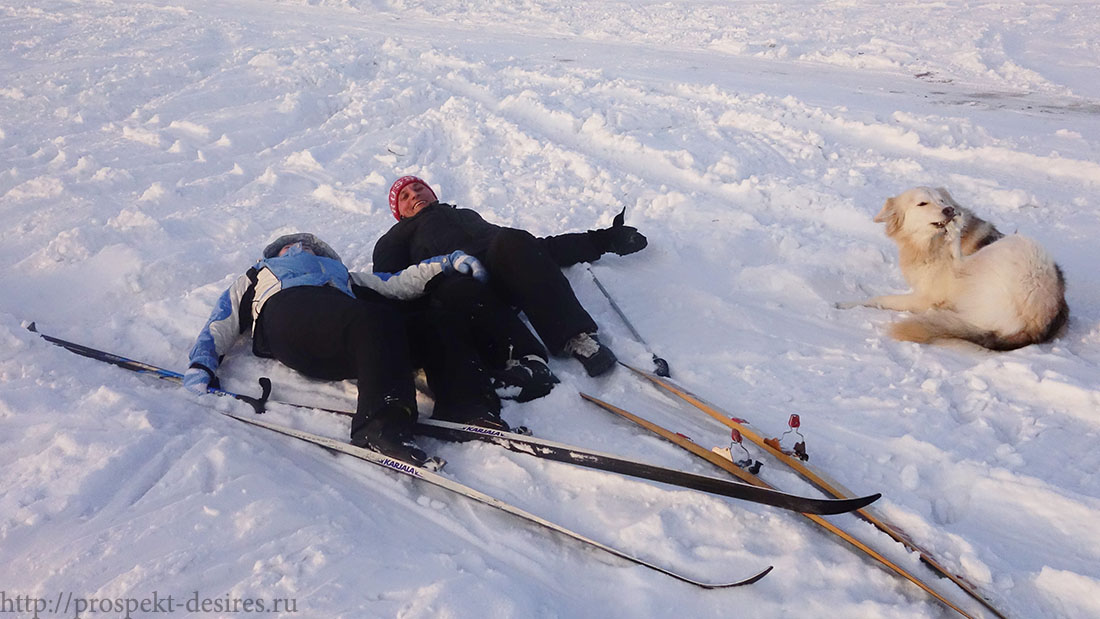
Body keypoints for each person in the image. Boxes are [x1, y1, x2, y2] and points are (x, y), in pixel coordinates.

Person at [183, 232, 499, 467]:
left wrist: (446, 263)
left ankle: (467, 405)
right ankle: (379, 427)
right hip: (290, 316)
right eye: (290, 246)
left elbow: (398, 283)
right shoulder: (260, 273)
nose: (300, 247)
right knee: (373, 316)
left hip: (348, 332)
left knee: (433, 323)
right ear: (277, 253)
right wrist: (202, 365)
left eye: (308, 245)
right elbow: (222, 317)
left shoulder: (345, 277)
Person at [372, 175, 648, 381]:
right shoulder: (394, 238)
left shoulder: (465, 215)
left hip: (504, 273)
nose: (414, 195)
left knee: (513, 239)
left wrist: (603, 240)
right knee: (458, 287)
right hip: (459, 291)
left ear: (432, 193)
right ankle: (520, 361)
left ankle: (576, 338)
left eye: (418, 188)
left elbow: (537, 248)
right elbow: (390, 286)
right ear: (398, 213)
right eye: (404, 196)